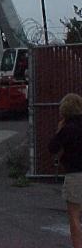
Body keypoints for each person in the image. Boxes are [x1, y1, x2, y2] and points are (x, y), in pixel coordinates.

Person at [48, 93, 82, 248]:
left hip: (75, 174)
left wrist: (58, 130)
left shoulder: (67, 128)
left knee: (74, 217)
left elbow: (52, 148)